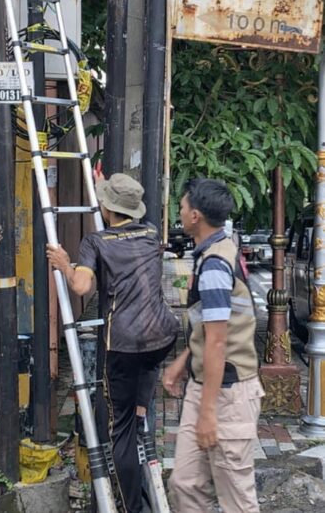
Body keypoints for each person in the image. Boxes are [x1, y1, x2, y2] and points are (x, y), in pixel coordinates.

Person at [47, 173, 181, 512]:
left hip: (125, 343)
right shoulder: (151, 234)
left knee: (120, 430)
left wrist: (64, 264)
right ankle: (140, 408)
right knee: (142, 385)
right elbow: (123, 215)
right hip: (163, 335)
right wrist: (106, 188)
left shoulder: (96, 242)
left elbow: (81, 287)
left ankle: (132, 508)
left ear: (106, 208)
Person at [163, 178, 264, 512]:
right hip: (205, 385)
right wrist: (182, 362)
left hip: (227, 394)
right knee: (185, 484)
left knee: (236, 498)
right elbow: (211, 327)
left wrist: (208, 413)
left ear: (195, 216)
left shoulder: (215, 266)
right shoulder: (215, 249)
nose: (179, 211)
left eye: (182, 206)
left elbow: (218, 343)